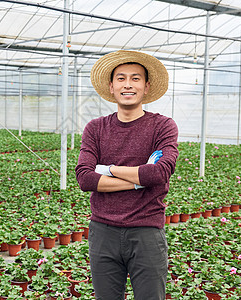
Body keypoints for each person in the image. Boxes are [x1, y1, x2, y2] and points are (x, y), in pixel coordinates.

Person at [75, 50, 179, 300]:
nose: (128, 85)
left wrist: (108, 169)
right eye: (121, 79)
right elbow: (85, 178)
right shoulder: (96, 128)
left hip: (146, 232)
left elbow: (160, 173)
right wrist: (138, 180)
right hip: (102, 231)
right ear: (111, 87)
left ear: (146, 86)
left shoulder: (163, 126)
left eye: (135, 78)